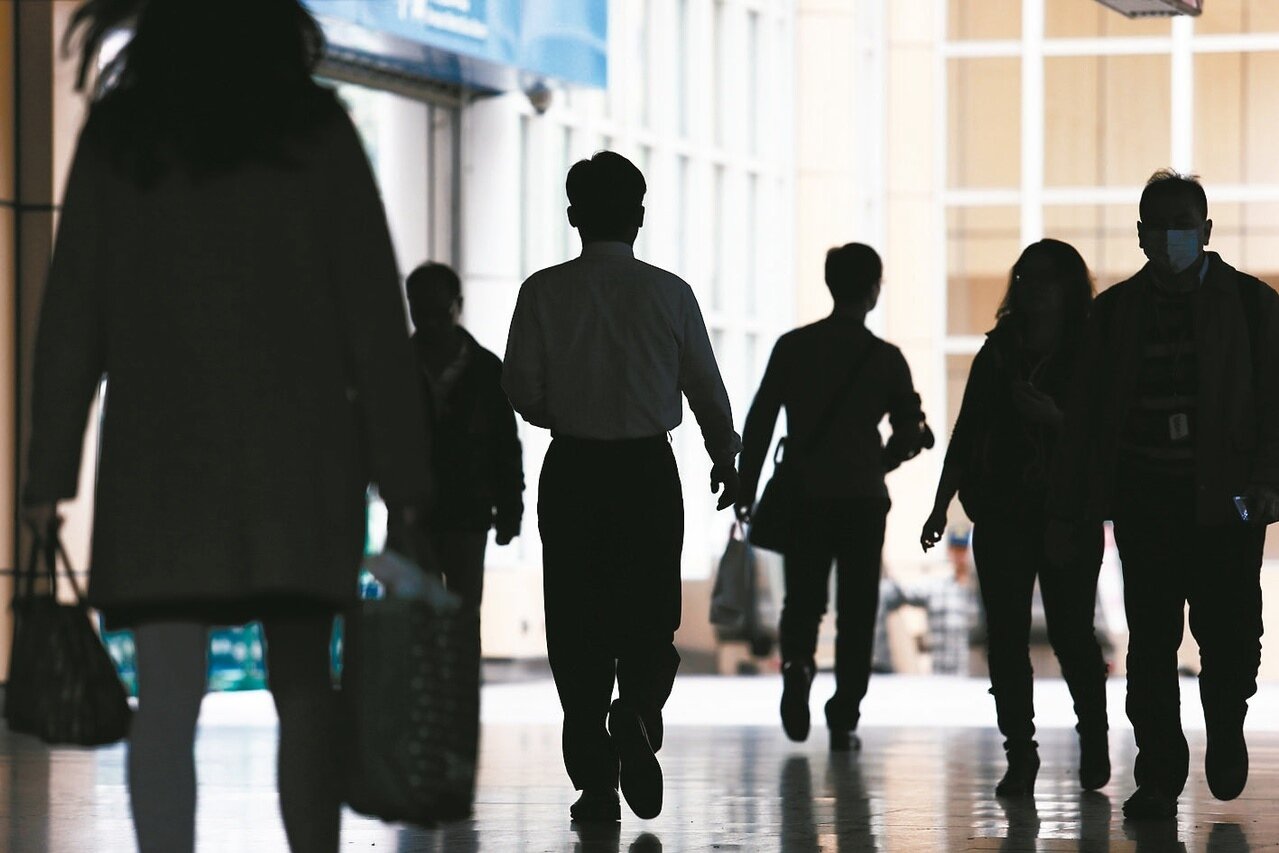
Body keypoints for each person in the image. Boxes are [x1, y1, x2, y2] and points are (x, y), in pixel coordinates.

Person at [22, 2, 431, 850]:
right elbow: (373, 323)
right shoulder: (315, 130)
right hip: (301, 457)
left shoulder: (122, 136)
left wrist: (48, 474)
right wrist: (404, 475)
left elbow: (73, 321)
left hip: (163, 458)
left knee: (168, 696)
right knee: (303, 684)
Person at [503, 151, 741, 823]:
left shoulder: (542, 292)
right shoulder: (669, 293)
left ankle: (596, 786)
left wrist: (566, 413)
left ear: (573, 215)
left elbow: (520, 388)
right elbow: (706, 390)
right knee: (648, 612)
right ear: (638, 217)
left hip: (573, 467)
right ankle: (636, 707)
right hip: (646, 470)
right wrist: (726, 458)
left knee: (576, 626)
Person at [1050, 171, 1279, 819]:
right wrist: (1080, 505)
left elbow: (1272, 403)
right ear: (1141, 234)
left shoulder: (1250, 305)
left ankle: (1225, 718)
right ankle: (1158, 769)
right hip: (1145, 502)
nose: (1171, 235)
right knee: (1150, 642)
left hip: (1226, 503)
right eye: (1159, 223)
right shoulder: (1115, 314)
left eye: (1183, 222)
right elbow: (1088, 418)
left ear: (1205, 231)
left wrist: (1267, 480)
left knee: (1230, 635)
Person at [920, 239, 1110, 797]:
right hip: (1003, 511)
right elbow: (967, 429)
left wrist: (1055, 418)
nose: (1035, 289)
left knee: (1073, 633)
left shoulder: (1091, 350)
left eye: (1047, 279)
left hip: (1069, 510)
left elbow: (1106, 432)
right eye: (1027, 278)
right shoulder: (1000, 350)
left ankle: (1092, 737)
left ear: (1069, 287)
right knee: (1005, 637)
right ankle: (1019, 751)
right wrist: (940, 502)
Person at [736, 243, 932, 753]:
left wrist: (745, 487)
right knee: (858, 607)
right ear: (873, 290)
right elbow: (910, 433)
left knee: (803, 598)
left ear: (830, 284)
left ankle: (798, 666)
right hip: (863, 500)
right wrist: (879, 461)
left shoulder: (793, 347)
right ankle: (844, 715)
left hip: (804, 494)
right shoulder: (886, 359)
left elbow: (760, 422)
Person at [406, 262, 524, 610]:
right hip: (452, 512)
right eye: (421, 312)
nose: (429, 323)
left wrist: (509, 511)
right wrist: (507, 512)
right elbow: (504, 447)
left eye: (437, 313)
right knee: (455, 618)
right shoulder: (484, 368)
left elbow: (504, 446)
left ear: (458, 305)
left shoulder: (484, 370)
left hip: (444, 513)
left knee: (427, 622)